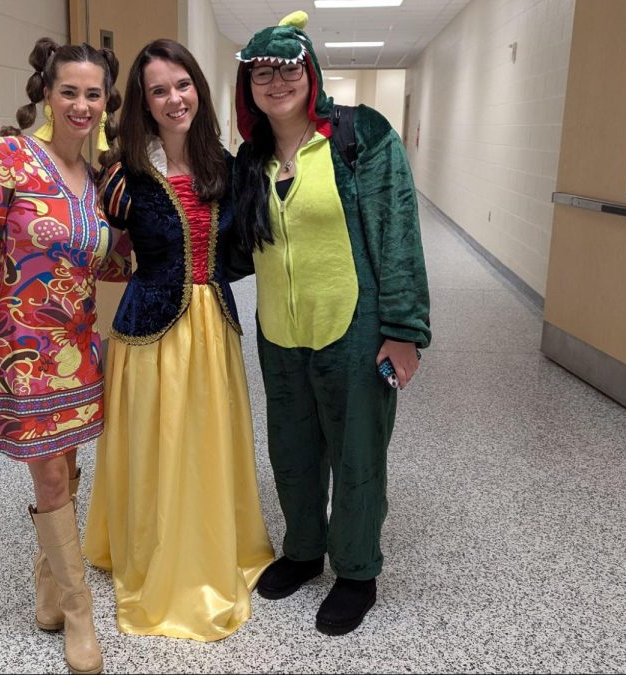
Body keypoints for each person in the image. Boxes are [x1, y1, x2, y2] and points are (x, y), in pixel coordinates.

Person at [230, 11, 432, 636]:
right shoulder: (250, 157)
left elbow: (398, 230)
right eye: (261, 73)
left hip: (356, 323)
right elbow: (238, 246)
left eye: (288, 69)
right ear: (248, 89)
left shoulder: (360, 136)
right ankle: (302, 550)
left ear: (310, 73)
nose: (275, 82)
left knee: (357, 450)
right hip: (281, 330)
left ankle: (355, 570)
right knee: (291, 447)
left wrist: (403, 328)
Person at [0, 37, 129, 675]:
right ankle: (79, 616)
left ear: (106, 102)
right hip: (21, 348)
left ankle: (49, 595)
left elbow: (112, 263)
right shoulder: (10, 158)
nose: (81, 104)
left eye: (92, 94)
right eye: (68, 91)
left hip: (78, 344)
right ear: (46, 94)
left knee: (68, 472)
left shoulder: (102, 177)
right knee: (49, 476)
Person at [83, 38, 274, 642]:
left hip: (213, 329)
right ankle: (154, 551)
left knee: (206, 441)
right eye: (158, 89)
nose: (173, 98)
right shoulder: (122, 175)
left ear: (199, 87)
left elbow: (246, 247)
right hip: (147, 335)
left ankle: (216, 542)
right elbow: (96, 249)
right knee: (157, 446)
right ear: (144, 101)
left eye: (182, 83)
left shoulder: (227, 165)